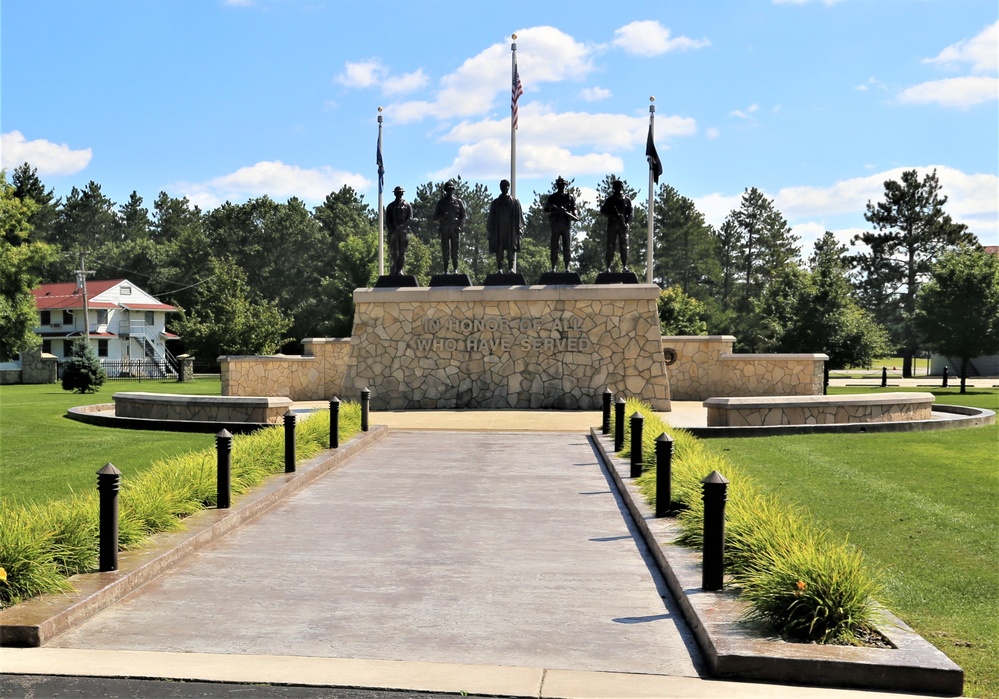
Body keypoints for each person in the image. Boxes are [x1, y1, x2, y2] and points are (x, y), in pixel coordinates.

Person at [486, 179, 524, 273]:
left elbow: (519, 217)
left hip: (510, 230)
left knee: (511, 249)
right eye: (503, 187)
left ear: (508, 188)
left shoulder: (515, 202)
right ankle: (499, 268)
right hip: (499, 230)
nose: (504, 188)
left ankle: (511, 268)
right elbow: (491, 218)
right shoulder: (495, 203)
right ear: (500, 188)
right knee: (499, 249)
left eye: (506, 187)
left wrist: (519, 228)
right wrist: (490, 231)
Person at [543, 176, 577, 272]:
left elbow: (574, 209)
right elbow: (546, 209)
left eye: (563, 185)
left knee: (567, 247)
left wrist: (574, 214)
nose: (561, 187)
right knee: (554, 247)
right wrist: (555, 209)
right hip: (556, 224)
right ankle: (553, 267)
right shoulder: (552, 197)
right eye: (559, 185)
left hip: (565, 224)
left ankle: (567, 267)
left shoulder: (569, 197)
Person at [432, 180, 465, 274]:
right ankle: (445, 270)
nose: (450, 191)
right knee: (445, 250)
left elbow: (463, 215)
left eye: (452, 189)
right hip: (445, 227)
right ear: (446, 190)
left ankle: (455, 269)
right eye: (448, 189)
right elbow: (434, 217)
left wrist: (460, 226)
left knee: (455, 251)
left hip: (454, 228)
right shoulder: (441, 202)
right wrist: (442, 216)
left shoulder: (458, 201)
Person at [600, 179, 633, 272]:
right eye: (615, 187)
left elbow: (630, 212)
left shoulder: (627, 200)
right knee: (610, 245)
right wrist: (612, 214)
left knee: (624, 246)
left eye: (619, 187)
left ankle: (625, 266)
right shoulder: (610, 200)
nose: (617, 189)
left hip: (623, 225)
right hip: (613, 224)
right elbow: (603, 211)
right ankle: (608, 267)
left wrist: (627, 222)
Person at [384, 186, 414, 276]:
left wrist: (402, 226)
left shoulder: (407, 205)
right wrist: (392, 228)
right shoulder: (390, 206)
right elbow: (387, 219)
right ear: (394, 194)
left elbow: (410, 218)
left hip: (403, 231)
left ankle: (400, 269)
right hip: (393, 231)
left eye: (400, 193)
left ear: (402, 193)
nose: (398, 194)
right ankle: (394, 267)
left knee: (402, 251)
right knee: (393, 251)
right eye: (397, 193)